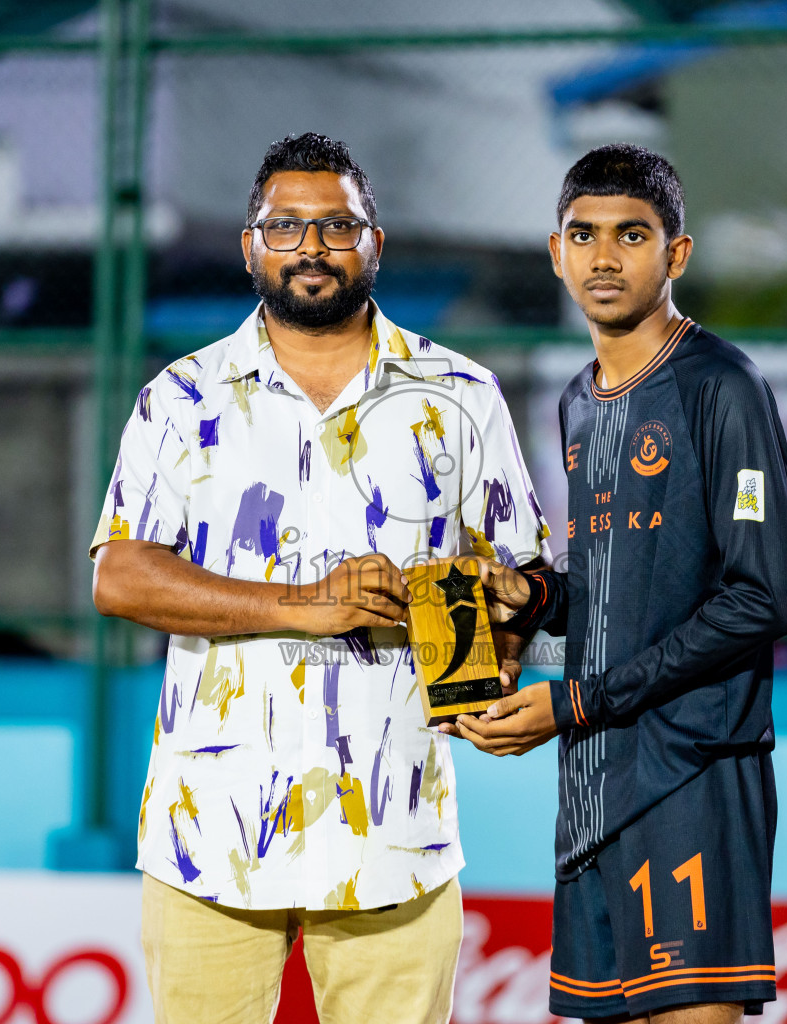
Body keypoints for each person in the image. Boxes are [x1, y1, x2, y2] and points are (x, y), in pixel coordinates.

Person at [88, 133, 550, 1024]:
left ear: (377, 242)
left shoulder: (460, 395)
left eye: (337, 225)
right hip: (210, 834)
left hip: (395, 830)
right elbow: (120, 577)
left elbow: (521, 568)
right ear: (250, 246)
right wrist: (305, 604)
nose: (311, 245)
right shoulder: (181, 398)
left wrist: (503, 646)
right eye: (285, 226)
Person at [448, 145, 787, 1024]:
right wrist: (537, 602)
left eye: (631, 235)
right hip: (594, 783)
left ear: (675, 254)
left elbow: (761, 599)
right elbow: (621, 593)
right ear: (555, 252)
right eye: (585, 235)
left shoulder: (723, 387)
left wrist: (574, 704)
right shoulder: (578, 400)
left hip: (691, 774)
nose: (604, 257)